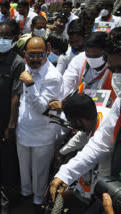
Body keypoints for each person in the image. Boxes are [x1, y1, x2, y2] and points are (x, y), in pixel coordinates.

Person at [50, 36, 121, 214]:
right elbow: (100, 143)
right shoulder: (118, 106)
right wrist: (65, 173)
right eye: (114, 69)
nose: (117, 75)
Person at [16, 36, 63, 212]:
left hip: (43, 135)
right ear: (24, 54)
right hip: (22, 131)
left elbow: (40, 107)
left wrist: (30, 84)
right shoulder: (23, 67)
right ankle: (25, 194)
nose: (35, 59)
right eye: (31, 55)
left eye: (40, 55)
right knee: (24, 171)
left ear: (48, 52)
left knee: (40, 173)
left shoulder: (53, 76)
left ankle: (38, 202)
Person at [0, 21, 25, 214]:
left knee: (8, 160)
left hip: (7, 120)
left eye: (6, 37)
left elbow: (15, 97)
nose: (1, 40)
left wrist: (10, 126)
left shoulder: (18, 63)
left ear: (15, 39)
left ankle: (7, 199)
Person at [58, 93, 111, 205]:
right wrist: (62, 152)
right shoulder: (94, 116)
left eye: (72, 121)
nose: (73, 126)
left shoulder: (106, 133)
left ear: (81, 120)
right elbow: (81, 136)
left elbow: (102, 173)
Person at [62, 32, 114, 99]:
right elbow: (66, 83)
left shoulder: (114, 64)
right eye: (88, 54)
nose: (91, 58)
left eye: (95, 55)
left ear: (105, 52)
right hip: (80, 101)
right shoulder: (79, 59)